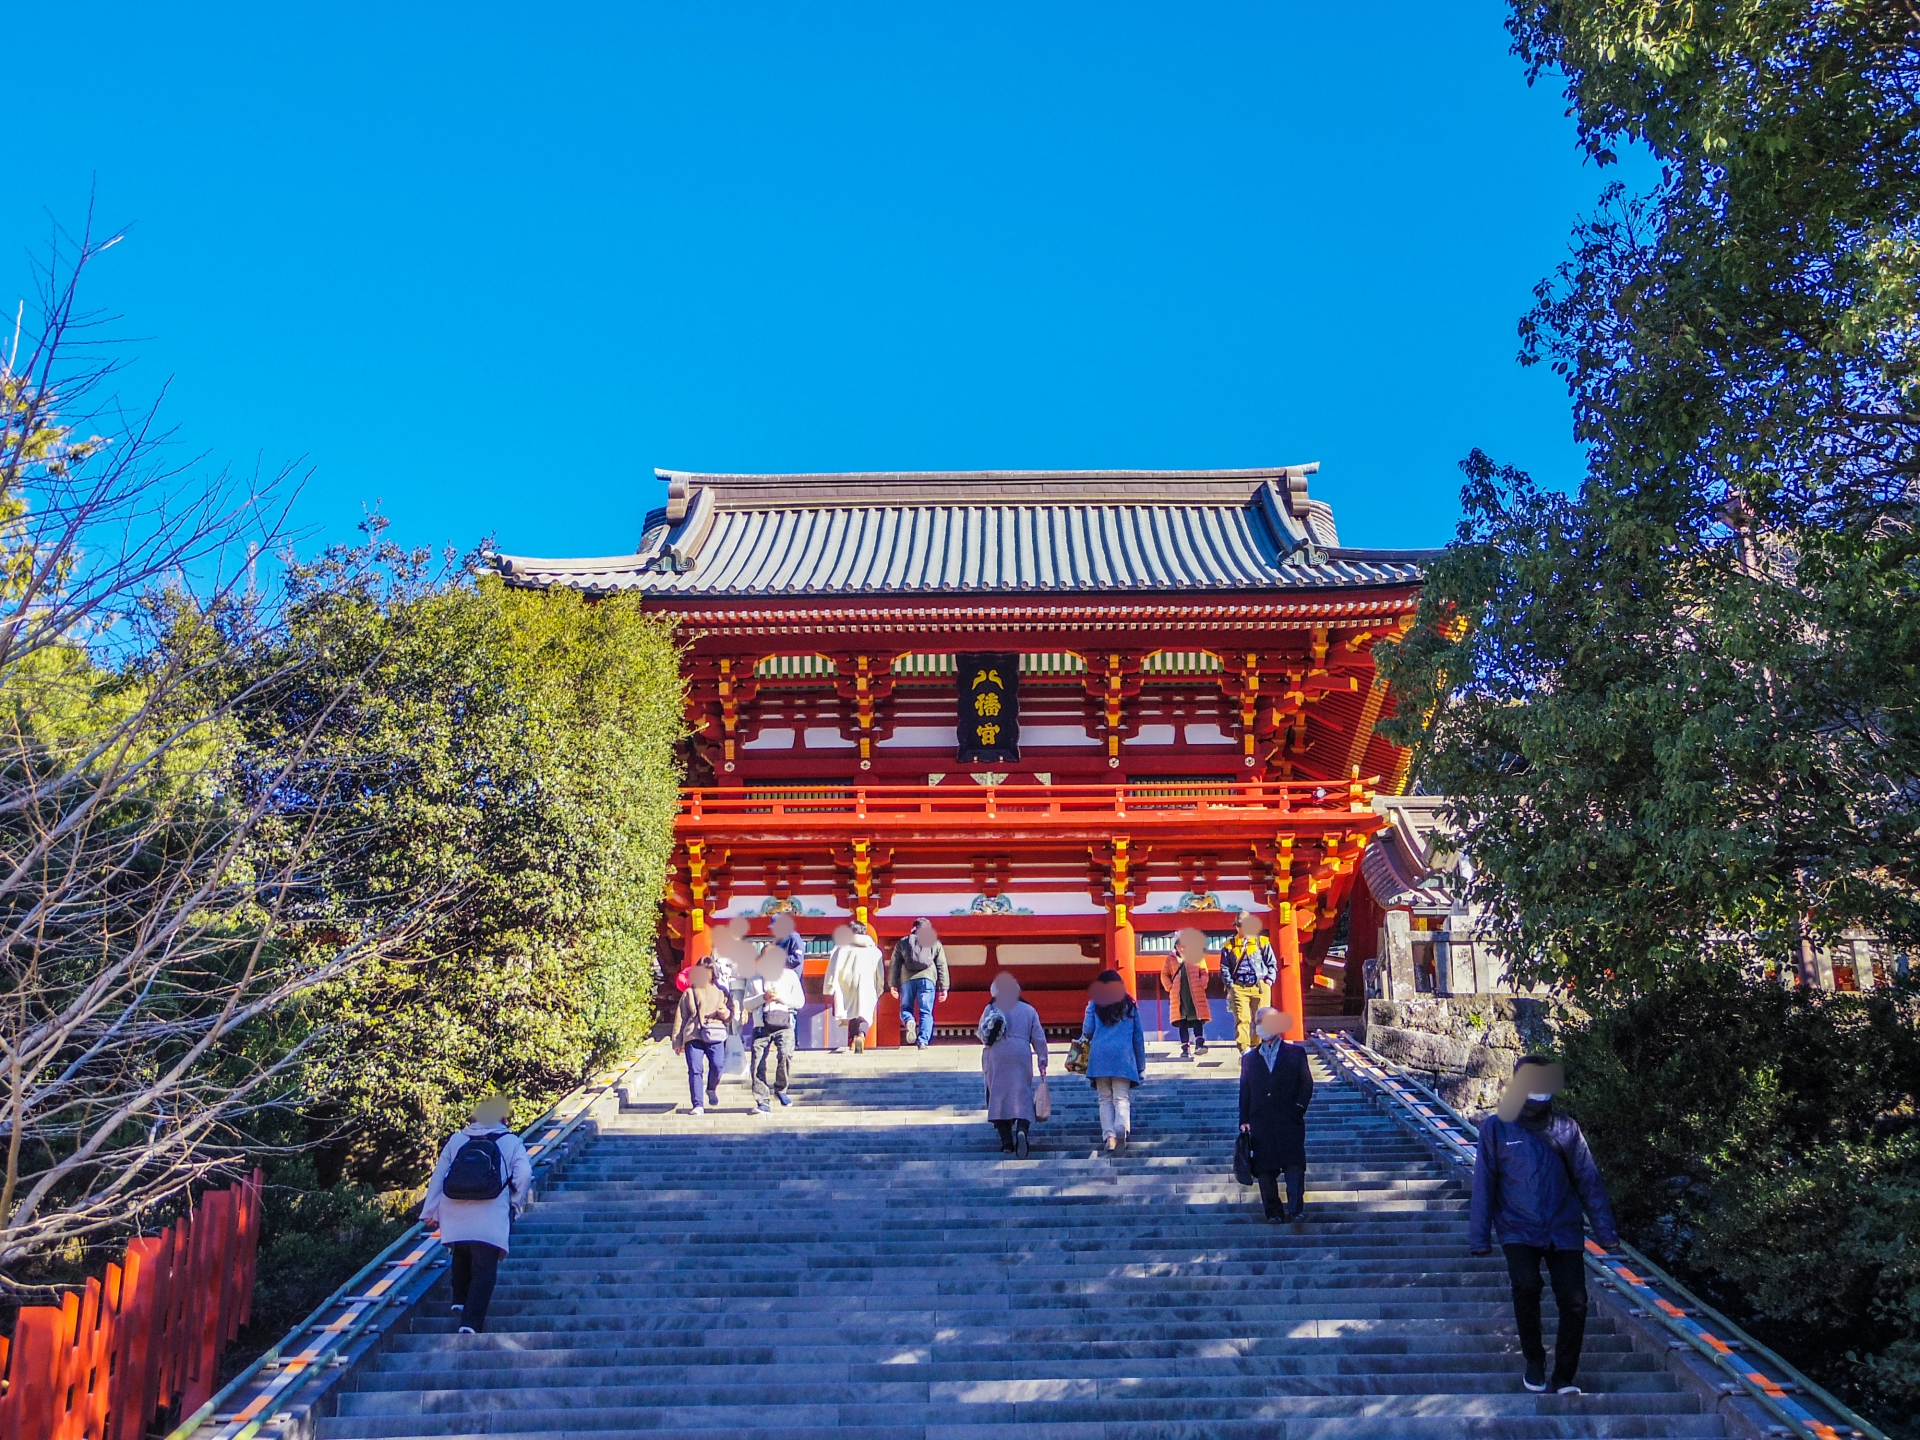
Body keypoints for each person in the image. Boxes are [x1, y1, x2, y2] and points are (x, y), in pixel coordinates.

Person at [1470, 1054, 1620, 1397]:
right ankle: (1534, 1361)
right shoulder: (1496, 1128)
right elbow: (1484, 1183)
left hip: (1563, 1227)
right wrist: (1480, 1237)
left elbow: (1589, 1181)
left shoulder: (1566, 1129)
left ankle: (1565, 1376)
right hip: (1517, 1226)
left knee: (1575, 1300)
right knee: (1526, 1286)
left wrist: (1606, 1234)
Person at [420, 1095, 532, 1334]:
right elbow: (523, 1174)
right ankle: (470, 1323)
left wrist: (430, 1211)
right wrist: (514, 1202)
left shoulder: (457, 1139)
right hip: (491, 1211)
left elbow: (439, 1177)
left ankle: (459, 1300)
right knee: (484, 1269)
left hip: (454, 1208)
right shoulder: (511, 1141)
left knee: (461, 1250)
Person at [1237, 1007, 1313, 1221]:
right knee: (1264, 1168)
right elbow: (1246, 1090)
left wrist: (1298, 1107)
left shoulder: (1295, 1053)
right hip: (1260, 1119)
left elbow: (1306, 1083)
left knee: (1294, 1164)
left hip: (1289, 1117)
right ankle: (1273, 1212)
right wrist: (1244, 1119)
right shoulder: (1250, 1059)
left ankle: (1296, 1209)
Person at [978, 972, 1048, 1157]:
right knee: (1022, 1093)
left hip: (997, 1055)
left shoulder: (991, 1008)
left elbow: (981, 1033)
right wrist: (1042, 1059)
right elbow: (1039, 1037)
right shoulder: (1028, 1010)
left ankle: (1007, 1143)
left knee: (999, 1096)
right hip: (1021, 1052)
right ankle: (1022, 1130)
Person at [1079, 969, 1147, 1153]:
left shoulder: (1095, 1004)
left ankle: (1109, 1136)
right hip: (1124, 1057)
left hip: (1100, 1057)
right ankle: (1122, 1128)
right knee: (1121, 1097)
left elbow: (1088, 1031)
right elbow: (1138, 1037)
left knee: (1105, 1099)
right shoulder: (1130, 1005)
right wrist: (1141, 1066)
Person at [744, 947, 806, 1114]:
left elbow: (800, 1002)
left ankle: (781, 1088)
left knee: (785, 1054)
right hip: (761, 1024)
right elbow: (747, 1005)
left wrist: (781, 999)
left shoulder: (790, 976)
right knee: (757, 1061)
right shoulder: (754, 980)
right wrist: (763, 997)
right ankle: (762, 1100)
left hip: (784, 1022)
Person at [672, 961, 734, 1114]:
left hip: (715, 1032)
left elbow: (730, 1015)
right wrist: (677, 1041)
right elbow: (681, 1017)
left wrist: (724, 1012)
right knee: (695, 1069)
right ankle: (698, 1104)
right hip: (693, 1034)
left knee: (718, 1065)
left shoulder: (722, 991)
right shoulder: (689, 992)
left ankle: (711, 1088)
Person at [1220, 911, 1278, 1053]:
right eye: (1239, 925)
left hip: (1260, 985)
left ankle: (1257, 1047)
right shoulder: (1229, 945)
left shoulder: (1262, 941)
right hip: (1239, 986)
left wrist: (1269, 981)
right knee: (1242, 1018)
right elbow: (1224, 967)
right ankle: (1244, 1049)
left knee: (1262, 1019)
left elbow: (1271, 963)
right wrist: (1231, 985)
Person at [824, 921, 887, 1052]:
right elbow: (880, 972)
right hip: (867, 984)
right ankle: (861, 1036)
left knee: (851, 1011)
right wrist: (880, 988)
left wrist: (829, 987)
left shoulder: (841, 948)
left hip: (846, 983)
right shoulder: (874, 951)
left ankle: (853, 1040)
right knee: (865, 1013)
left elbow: (832, 969)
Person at [888, 918, 949, 1047]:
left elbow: (894, 964)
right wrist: (944, 987)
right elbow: (941, 965)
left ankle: (909, 1020)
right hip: (927, 980)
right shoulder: (935, 943)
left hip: (907, 980)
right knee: (926, 1011)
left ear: (913, 928)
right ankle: (923, 1041)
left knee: (906, 1008)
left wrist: (893, 984)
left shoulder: (903, 942)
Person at [1161, 927, 1214, 1059]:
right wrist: (1169, 986)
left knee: (1197, 1018)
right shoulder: (1170, 959)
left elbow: (1204, 972)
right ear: (1176, 946)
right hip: (1179, 995)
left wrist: (1202, 984)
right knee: (1182, 1021)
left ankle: (1199, 1044)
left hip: (1195, 994)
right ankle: (1185, 1048)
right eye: (1181, 946)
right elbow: (1164, 974)